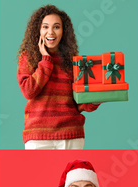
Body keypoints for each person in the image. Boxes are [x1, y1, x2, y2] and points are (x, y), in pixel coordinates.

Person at [16, 5, 100, 150]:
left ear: (63, 31)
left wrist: (97, 98)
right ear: (38, 30)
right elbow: (28, 91)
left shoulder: (73, 61)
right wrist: (46, 61)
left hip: (71, 134)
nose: (51, 32)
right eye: (45, 27)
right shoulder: (28, 57)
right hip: (38, 136)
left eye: (56, 27)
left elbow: (78, 104)